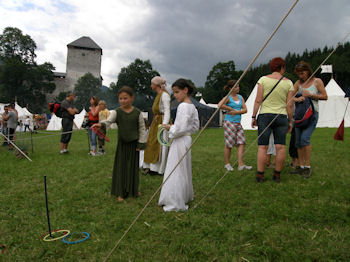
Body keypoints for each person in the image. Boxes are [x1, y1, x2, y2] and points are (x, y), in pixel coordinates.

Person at [93, 86, 147, 202]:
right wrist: (100, 125)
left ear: (132, 98)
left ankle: (133, 190)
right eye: (121, 98)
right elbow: (108, 121)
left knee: (133, 168)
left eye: (125, 98)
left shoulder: (138, 113)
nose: (123, 101)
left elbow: (142, 129)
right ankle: (120, 192)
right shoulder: (116, 112)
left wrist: (141, 143)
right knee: (121, 168)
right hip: (122, 145)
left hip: (134, 145)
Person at [158, 78, 199, 212]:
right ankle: (183, 196)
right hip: (186, 140)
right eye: (174, 93)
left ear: (185, 90)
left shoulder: (183, 106)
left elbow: (180, 128)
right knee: (183, 168)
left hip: (180, 140)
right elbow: (195, 127)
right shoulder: (192, 106)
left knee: (176, 169)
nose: (175, 95)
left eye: (177, 92)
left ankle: (175, 200)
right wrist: (178, 129)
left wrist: (170, 128)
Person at [251, 57, 294, 183]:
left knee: (262, 147)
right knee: (280, 147)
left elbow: (258, 100)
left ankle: (260, 175)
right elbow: (290, 105)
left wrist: (254, 116)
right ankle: (277, 175)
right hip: (281, 116)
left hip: (265, 116)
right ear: (282, 67)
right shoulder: (289, 83)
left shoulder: (263, 80)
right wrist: (290, 121)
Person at [291, 61, 327, 177]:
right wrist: (298, 99)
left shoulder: (317, 82)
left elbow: (325, 96)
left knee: (305, 139)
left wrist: (310, 95)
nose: (300, 76)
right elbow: (290, 97)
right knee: (298, 142)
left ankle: (307, 167)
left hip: (312, 115)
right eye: (298, 74)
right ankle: (300, 167)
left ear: (307, 71)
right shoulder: (297, 83)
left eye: (302, 73)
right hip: (300, 115)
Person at [218, 80, 252, 171]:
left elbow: (245, 110)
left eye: (238, 86)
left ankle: (241, 164)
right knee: (229, 144)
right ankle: (227, 164)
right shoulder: (228, 97)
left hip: (237, 123)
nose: (238, 88)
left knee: (242, 142)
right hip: (229, 123)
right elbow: (220, 105)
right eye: (236, 87)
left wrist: (236, 112)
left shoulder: (241, 97)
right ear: (231, 88)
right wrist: (229, 108)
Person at [143, 76, 171, 175]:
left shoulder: (164, 95)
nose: (151, 86)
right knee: (152, 143)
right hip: (156, 121)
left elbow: (167, 111)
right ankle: (152, 167)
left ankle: (160, 169)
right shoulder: (159, 95)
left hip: (162, 121)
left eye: (152, 84)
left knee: (161, 144)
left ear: (157, 85)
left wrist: (164, 124)